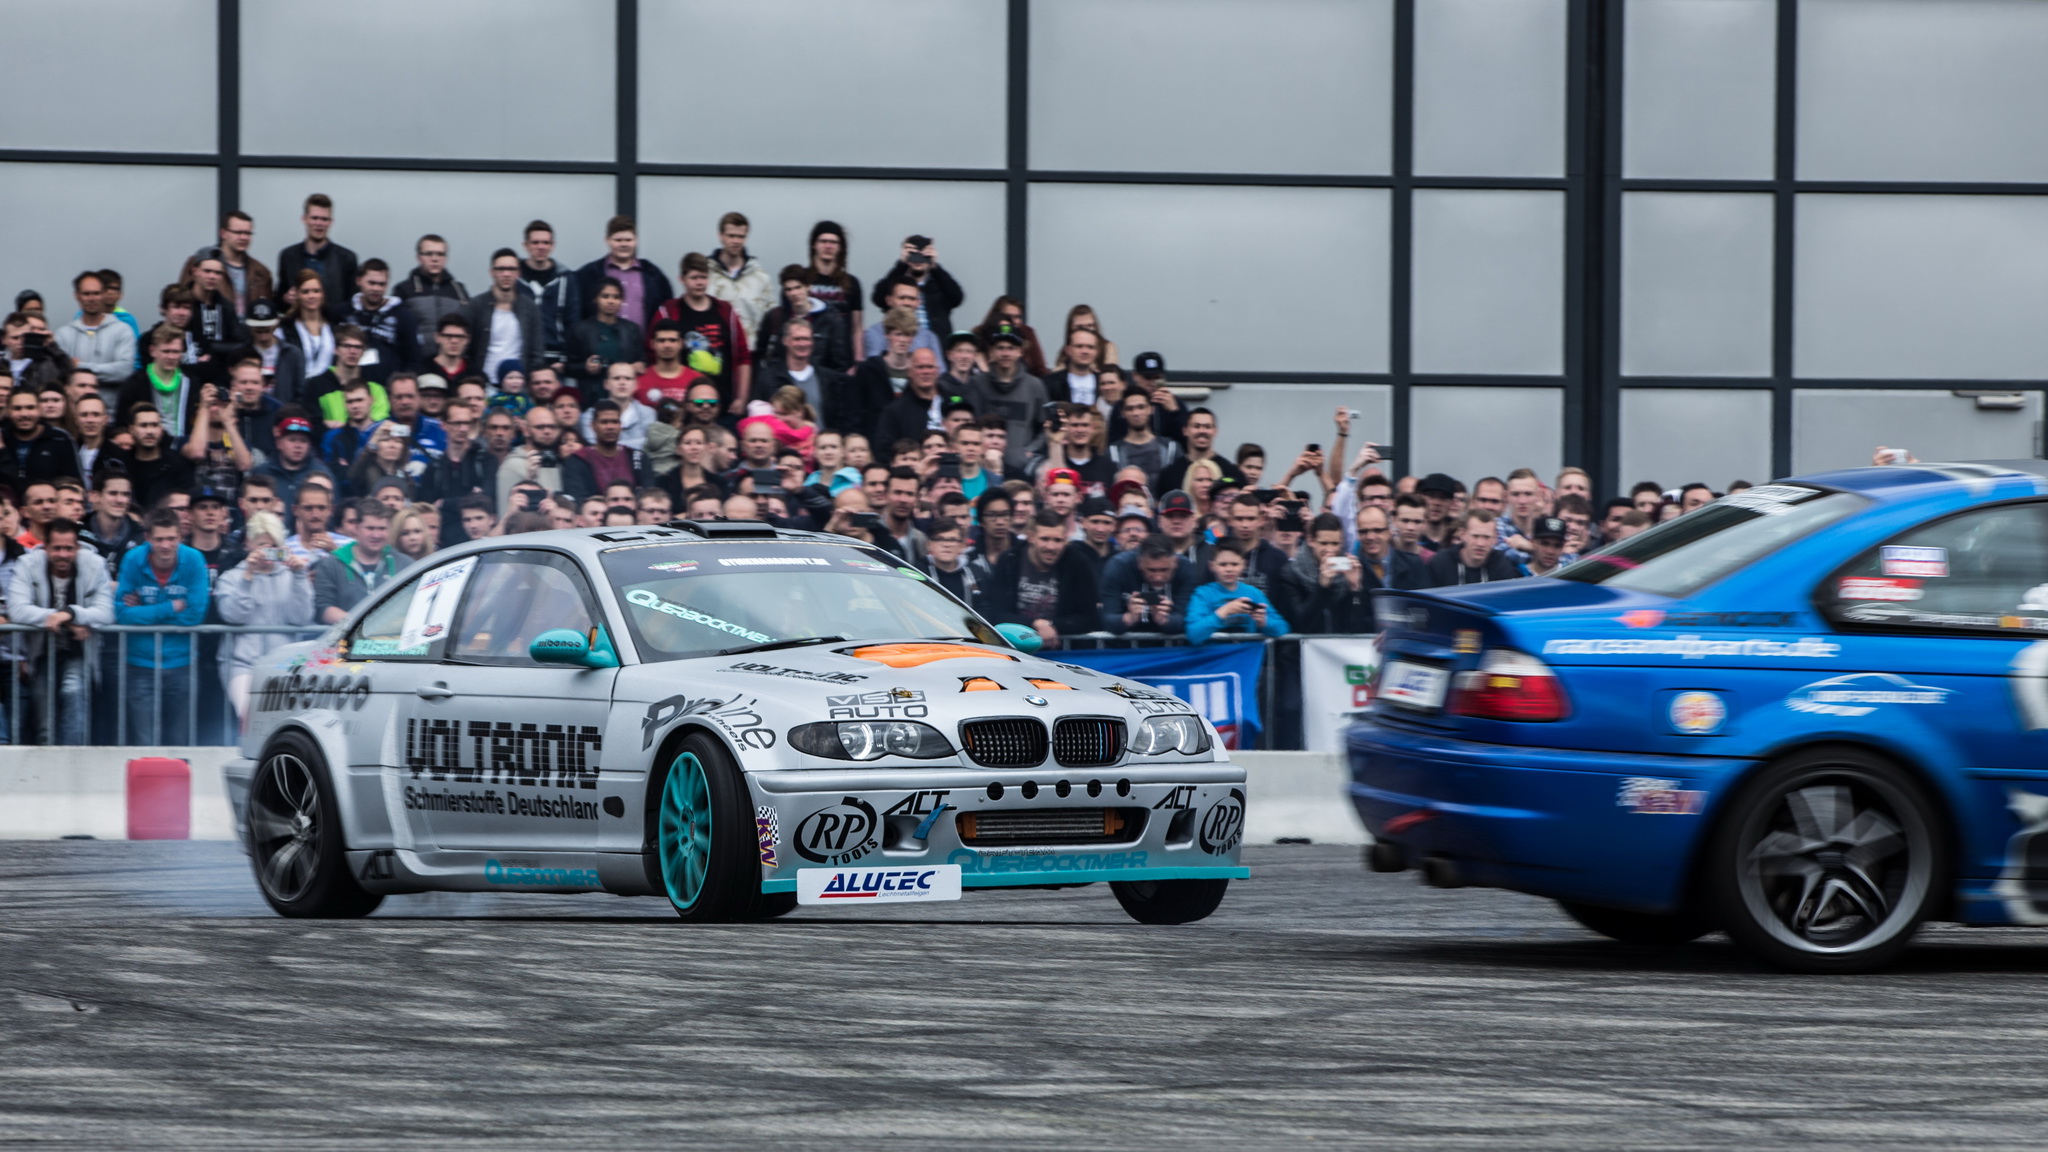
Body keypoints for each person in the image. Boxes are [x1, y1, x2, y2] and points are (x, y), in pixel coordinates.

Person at [7, 518, 113, 745]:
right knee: (45, 722)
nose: (63, 554)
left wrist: (71, 613)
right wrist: (63, 618)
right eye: (56, 548)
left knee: (73, 692)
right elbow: (17, 610)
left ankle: (73, 758)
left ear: (77, 547)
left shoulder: (94, 564)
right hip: (41, 653)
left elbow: (106, 612)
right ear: (45, 547)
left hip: (79, 652)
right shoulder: (28, 564)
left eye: (68, 548)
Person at [114, 509, 209, 744]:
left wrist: (144, 612)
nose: (165, 545)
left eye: (171, 539)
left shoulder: (194, 559)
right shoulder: (133, 559)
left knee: (180, 741)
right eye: (159, 539)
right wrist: (172, 607)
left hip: (182, 663)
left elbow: (195, 615)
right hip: (139, 664)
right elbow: (122, 615)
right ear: (148, 538)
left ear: (180, 537)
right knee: (144, 741)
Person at [213, 510, 315, 719]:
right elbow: (232, 616)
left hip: (286, 665)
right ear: (248, 544)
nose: (268, 552)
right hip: (242, 664)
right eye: (262, 545)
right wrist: (247, 577)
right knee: (249, 717)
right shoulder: (231, 578)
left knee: (281, 722)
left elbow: (302, 618)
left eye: (274, 546)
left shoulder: (292, 576)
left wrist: (299, 576)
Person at [982, 511, 1100, 648]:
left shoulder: (1078, 562)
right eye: (1045, 539)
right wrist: (1035, 625)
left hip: (1064, 650)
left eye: (1058, 540)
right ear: (1031, 537)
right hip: (1016, 647)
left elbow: (1088, 617)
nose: (1051, 547)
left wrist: (1052, 625)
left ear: (1065, 539)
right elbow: (997, 613)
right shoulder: (1009, 560)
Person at [1276, 512, 1375, 634]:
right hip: (1304, 645)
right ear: (1311, 540)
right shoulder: (1292, 573)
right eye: (1324, 543)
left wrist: (1355, 590)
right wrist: (1322, 588)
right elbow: (1300, 624)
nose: (1330, 550)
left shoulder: (1349, 570)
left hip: (1340, 644)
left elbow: (1358, 626)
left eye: (1335, 544)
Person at [313, 498, 408, 623]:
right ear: (356, 529)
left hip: (392, 634)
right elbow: (323, 608)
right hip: (347, 633)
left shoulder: (404, 564)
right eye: (370, 528)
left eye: (382, 528)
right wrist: (358, 625)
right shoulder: (332, 563)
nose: (376, 535)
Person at [459, 248, 545, 383]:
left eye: (511, 269)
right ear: (492, 272)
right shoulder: (476, 305)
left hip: (518, 385)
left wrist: (529, 381)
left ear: (518, 273)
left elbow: (536, 351)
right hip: (483, 383)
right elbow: (464, 348)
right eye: (501, 269)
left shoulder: (529, 308)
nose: (506, 274)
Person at [574, 215, 671, 331]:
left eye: (628, 240)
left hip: (643, 341)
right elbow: (577, 311)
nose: (624, 244)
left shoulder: (652, 274)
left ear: (636, 240)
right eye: (618, 240)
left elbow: (666, 309)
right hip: (598, 341)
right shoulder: (588, 274)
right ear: (607, 240)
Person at [273, 193, 357, 321]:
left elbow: (352, 302)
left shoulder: (346, 259)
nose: (319, 223)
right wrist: (286, 299)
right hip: (298, 326)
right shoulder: (288, 256)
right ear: (304, 219)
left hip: (333, 326)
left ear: (331, 222)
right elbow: (279, 300)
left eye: (324, 219)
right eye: (314, 218)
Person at [1188, 544, 1290, 644]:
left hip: (1247, 654)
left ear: (1244, 565)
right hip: (1214, 654)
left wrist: (1264, 622)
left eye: (1235, 564)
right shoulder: (1202, 594)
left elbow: (1282, 628)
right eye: (1223, 564)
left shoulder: (1253, 593)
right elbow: (1194, 634)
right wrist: (1224, 611)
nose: (1229, 569)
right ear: (1211, 566)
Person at [179, 210, 273, 317]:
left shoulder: (260, 272)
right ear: (223, 233)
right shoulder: (199, 262)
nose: (244, 237)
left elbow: (268, 308)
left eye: (248, 233)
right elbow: (181, 298)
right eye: (238, 232)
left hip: (250, 326)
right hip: (212, 323)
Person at [1099, 533, 1194, 636]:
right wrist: (1129, 618)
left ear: (1175, 563)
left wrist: (1165, 620)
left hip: (1171, 644)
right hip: (1126, 644)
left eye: (1164, 570)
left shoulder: (1185, 568)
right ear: (1139, 563)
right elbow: (1107, 619)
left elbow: (1189, 620)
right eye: (1151, 570)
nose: (1158, 577)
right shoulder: (1119, 566)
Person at [55, 271, 138, 387]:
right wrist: (106, 371)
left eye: (96, 293)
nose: (91, 299)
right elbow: (61, 372)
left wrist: (81, 366)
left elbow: (124, 371)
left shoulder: (122, 331)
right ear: (77, 296)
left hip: (110, 399)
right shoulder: (63, 334)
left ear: (104, 295)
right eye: (86, 294)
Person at [705, 211, 775, 346]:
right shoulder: (705, 274)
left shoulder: (761, 278)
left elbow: (772, 319)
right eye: (731, 236)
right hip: (715, 350)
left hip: (751, 351)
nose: (736, 241)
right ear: (720, 236)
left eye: (741, 236)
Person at [874, 234, 964, 337]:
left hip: (936, 342)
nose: (918, 260)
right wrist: (901, 264)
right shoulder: (897, 283)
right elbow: (878, 299)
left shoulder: (940, 284)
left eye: (923, 255)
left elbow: (957, 298)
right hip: (902, 340)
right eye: (914, 254)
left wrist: (935, 267)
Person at [562, 401, 652, 500]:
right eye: (604, 422)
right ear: (593, 426)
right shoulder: (577, 460)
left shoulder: (638, 457)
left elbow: (648, 496)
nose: (610, 427)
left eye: (615, 422)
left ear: (621, 426)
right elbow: (576, 498)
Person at [568, 276, 645, 391]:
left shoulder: (631, 329)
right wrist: (585, 367)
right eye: (605, 296)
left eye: (616, 297)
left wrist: (639, 365)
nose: (611, 301)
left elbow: (642, 360)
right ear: (595, 299)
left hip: (623, 391)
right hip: (592, 391)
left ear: (622, 300)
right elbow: (568, 366)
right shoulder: (580, 329)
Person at [344, 258, 418, 374]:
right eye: (371, 283)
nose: (376, 289)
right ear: (358, 281)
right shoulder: (342, 312)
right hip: (348, 381)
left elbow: (413, 357)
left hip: (388, 382)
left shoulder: (403, 316)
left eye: (381, 284)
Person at [1, 386, 82, 492]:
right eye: (17, 408)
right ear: (8, 411)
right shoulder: (2, 438)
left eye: (30, 408)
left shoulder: (60, 439)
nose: (24, 414)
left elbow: (74, 483)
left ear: (39, 409)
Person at [516, 219, 577, 360]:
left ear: (552, 246)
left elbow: (572, 323)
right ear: (525, 245)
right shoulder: (514, 278)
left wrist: (566, 359)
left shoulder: (567, 279)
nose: (541, 247)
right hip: (520, 356)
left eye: (545, 242)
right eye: (535, 242)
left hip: (556, 357)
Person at [805, 221, 863, 357]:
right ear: (814, 245)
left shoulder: (852, 283)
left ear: (840, 247)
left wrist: (859, 360)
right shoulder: (802, 280)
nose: (828, 246)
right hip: (808, 355)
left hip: (842, 358)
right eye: (823, 241)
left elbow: (857, 328)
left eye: (833, 242)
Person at [1425, 509, 1523, 586]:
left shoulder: (1502, 565)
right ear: (1463, 534)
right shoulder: (1441, 562)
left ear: (1495, 538)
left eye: (1487, 537)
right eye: (1475, 536)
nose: (1480, 543)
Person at [973, 297, 1048, 378]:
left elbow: (1040, 368)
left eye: (1018, 317)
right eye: (1009, 316)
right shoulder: (979, 335)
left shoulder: (1027, 333)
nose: (1015, 321)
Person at [919, 521, 989, 607]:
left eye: (952, 540)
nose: (946, 545)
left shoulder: (976, 574)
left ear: (962, 545)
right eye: (940, 539)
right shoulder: (919, 572)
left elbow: (984, 606)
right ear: (929, 544)